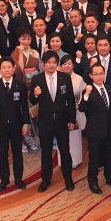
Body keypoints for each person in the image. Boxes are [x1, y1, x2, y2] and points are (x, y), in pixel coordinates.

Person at [30, 51, 77, 192]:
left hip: (62, 121)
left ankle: (68, 179)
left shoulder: (65, 78)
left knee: (65, 151)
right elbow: (32, 101)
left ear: (57, 64)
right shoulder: (37, 79)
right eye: (48, 62)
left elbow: (70, 100)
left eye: (54, 62)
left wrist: (71, 119)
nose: (51, 65)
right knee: (46, 152)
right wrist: (35, 94)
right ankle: (46, 180)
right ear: (43, 64)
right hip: (45, 122)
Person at [0, 57, 30, 191]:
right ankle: (4, 180)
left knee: (17, 153)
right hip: (1, 125)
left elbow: (24, 106)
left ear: (13, 69)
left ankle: (18, 179)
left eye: (9, 67)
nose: (6, 70)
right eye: (3, 67)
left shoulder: (20, 84)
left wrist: (26, 123)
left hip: (17, 124)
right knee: (2, 153)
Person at [79, 63, 111, 194]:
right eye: (96, 74)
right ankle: (93, 182)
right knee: (95, 158)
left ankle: (110, 178)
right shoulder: (87, 91)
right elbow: (82, 108)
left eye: (101, 73)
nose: (99, 76)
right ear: (91, 76)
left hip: (109, 129)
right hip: (94, 131)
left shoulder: (110, 88)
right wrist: (86, 95)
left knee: (110, 156)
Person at [58, 55, 85, 169]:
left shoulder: (79, 78)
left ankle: (76, 159)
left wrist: (79, 104)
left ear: (73, 65)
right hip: (61, 111)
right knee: (62, 136)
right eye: (64, 64)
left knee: (75, 137)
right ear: (61, 66)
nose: (67, 66)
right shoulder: (58, 78)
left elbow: (83, 94)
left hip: (75, 110)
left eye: (69, 63)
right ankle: (63, 160)